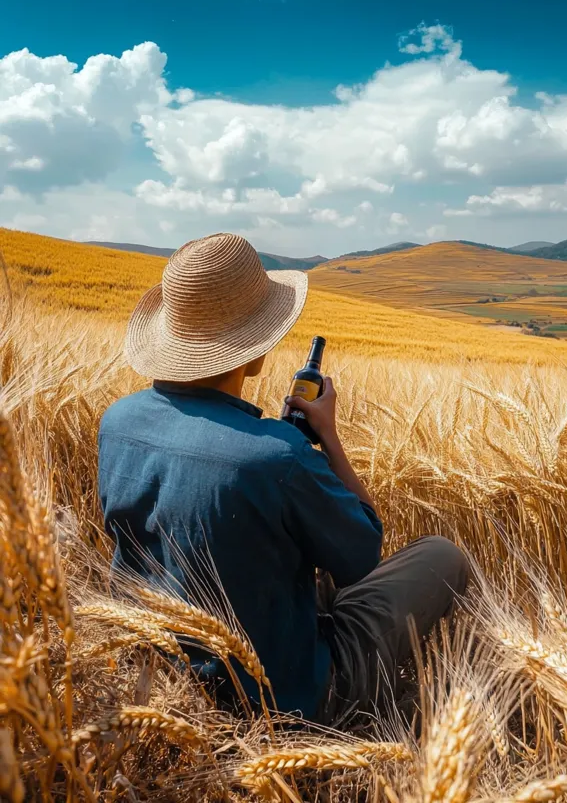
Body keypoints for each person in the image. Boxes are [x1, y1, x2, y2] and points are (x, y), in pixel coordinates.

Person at [98, 232, 469, 724]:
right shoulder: (277, 456)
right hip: (281, 696)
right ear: (255, 350)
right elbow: (362, 556)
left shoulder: (116, 421)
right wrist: (327, 439)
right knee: (444, 555)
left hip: (160, 675)